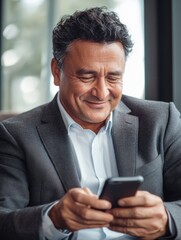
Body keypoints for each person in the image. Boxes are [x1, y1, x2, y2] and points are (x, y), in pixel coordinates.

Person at [0, 6, 181, 240]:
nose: (101, 92)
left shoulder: (161, 120)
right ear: (57, 71)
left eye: (113, 77)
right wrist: (53, 219)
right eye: (87, 76)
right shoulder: (16, 134)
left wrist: (167, 219)